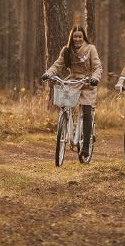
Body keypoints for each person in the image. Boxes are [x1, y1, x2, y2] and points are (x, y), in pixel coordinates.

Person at [42, 25, 102, 158]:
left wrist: (95, 78)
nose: (77, 39)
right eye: (75, 36)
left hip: (87, 82)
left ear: (83, 37)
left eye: (80, 36)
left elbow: (98, 67)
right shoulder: (66, 50)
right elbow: (57, 65)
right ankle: (66, 127)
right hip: (72, 80)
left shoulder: (91, 49)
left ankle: (86, 146)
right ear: (71, 37)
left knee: (87, 112)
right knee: (65, 105)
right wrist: (48, 74)